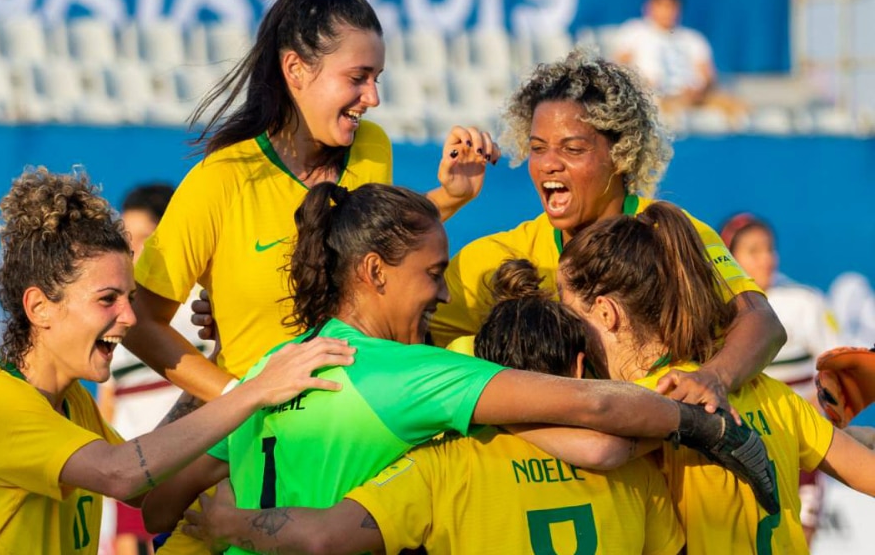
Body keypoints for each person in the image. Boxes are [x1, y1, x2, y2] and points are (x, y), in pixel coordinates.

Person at [142, 182, 776, 555]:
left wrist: (230, 525)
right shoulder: (415, 375)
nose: (445, 296)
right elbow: (596, 416)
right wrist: (708, 429)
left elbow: (161, 504)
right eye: (434, 274)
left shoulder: (277, 366)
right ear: (373, 273)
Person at [122, 0, 497, 403]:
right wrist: (243, 396)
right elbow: (140, 321)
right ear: (296, 69)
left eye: (377, 79)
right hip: (263, 451)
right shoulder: (220, 178)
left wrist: (453, 197)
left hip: (368, 420)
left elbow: (374, 243)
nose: (373, 98)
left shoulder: (373, 147)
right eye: (358, 78)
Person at [0, 166, 355, 554]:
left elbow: (149, 490)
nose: (130, 317)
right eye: (108, 299)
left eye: (129, 299)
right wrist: (255, 391)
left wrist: (223, 357)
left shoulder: (73, 404)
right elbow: (122, 475)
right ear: (39, 307)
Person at [177, 258, 685, 555]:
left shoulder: (442, 464)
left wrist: (232, 524)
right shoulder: (635, 468)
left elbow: (324, 537)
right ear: (579, 369)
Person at [429, 48, 786, 414]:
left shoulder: (671, 232)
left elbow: (762, 323)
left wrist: (715, 377)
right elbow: (396, 336)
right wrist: (445, 200)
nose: (549, 163)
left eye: (572, 148)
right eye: (537, 149)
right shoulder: (497, 256)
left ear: (621, 153)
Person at [557, 200, 875, 555]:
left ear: (606, 312)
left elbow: (599, 449)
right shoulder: (772, 394)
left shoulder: (646, 405)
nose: (568, 332)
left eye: (570, 314)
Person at [95, 182, 214, 555]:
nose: (135, 251)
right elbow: (109, 398)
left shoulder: (200, 301)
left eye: (146, 238)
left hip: (193, 459)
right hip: (133, 464)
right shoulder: (119, 308)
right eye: (127, 240)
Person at [720, 211, 843, 545]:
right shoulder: (714, 310)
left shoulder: (804, 302)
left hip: (801, 442)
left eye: (770, 248)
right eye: (754, 250)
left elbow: (840, 371)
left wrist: (813, 404)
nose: (767, 259)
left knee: (801, 534)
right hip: (743, 444)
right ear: (729, 256)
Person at [613, 0, 748, 124]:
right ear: (648, 7)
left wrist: (698, 90)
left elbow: (708, 74)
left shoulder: (693, 38)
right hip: (654, 96)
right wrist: (641, 83)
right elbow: (619, 66)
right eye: (661, 6)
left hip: (693, 96)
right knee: (662, 110)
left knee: (737, 108)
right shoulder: (634, 31)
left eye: (671, 7)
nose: (667, 11)